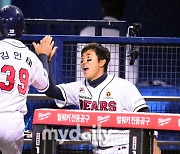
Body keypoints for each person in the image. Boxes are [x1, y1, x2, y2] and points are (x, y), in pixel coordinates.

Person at [33, 36, 150, 154]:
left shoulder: (123, 86)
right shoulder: (79, 88)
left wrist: (152, 143)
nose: (84, 62)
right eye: (82, 59)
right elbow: (50, 90)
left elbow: (145, 114)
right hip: (97, 150)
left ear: (102, 62)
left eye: (89, 59)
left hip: (123, 148)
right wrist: (45, 59)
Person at [0, 5, 55, 154]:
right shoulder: (30, 56)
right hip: (13, 123)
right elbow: (44, 85)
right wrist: (43, 56)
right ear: (22, 29)